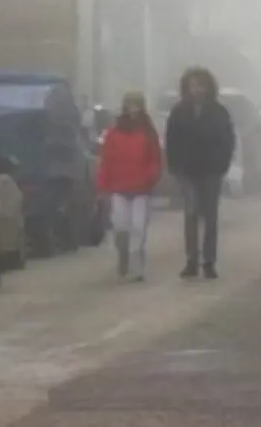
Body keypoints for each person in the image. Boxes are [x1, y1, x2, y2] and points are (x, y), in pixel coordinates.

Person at [165, 67, 236, 280]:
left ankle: (209, 262)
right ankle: (191, 260)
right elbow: (171, 140)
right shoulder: (179, 111)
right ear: (187, 87)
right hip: (187, 171)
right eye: (193, 86)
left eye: (201, 86)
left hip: (211, 170)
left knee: (210, 216)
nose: (197, 90)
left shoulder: (219, 112)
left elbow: (228, 140)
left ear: (209, 87)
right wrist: (174, 166)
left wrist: (222, 165)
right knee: (191, 213)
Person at [96, 92, 163, 282]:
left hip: (141, 189)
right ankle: (123, 255)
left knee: (138, 228)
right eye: (130, 105)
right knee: (120, 227)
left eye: (136, 105)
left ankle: (137, 266)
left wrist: (151, 176)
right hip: (119, 188)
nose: (133, 109)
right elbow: (106, 161)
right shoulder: (113, 132)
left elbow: (155, 158)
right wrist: (102, 186)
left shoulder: (148, 132)